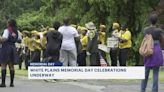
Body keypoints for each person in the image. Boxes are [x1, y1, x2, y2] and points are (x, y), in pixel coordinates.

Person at [140, 13, 164, 92]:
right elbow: (162, 40)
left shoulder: (146, 30)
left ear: (149, 20)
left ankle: (142, 90)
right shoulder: (159, 30)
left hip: (148, 50)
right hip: (156, 50)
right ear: (156, 21)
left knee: (145, 73)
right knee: (155, 74)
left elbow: (145, 39)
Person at [0, 19, 21, 87]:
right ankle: (11, 83)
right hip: (13, 48)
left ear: (9, 24)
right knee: (11, 65)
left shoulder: (7, 30)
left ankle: (3, 83)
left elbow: (4, 39)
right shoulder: (17, 31)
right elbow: (19, 40)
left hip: (6, 48)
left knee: (3, 65)